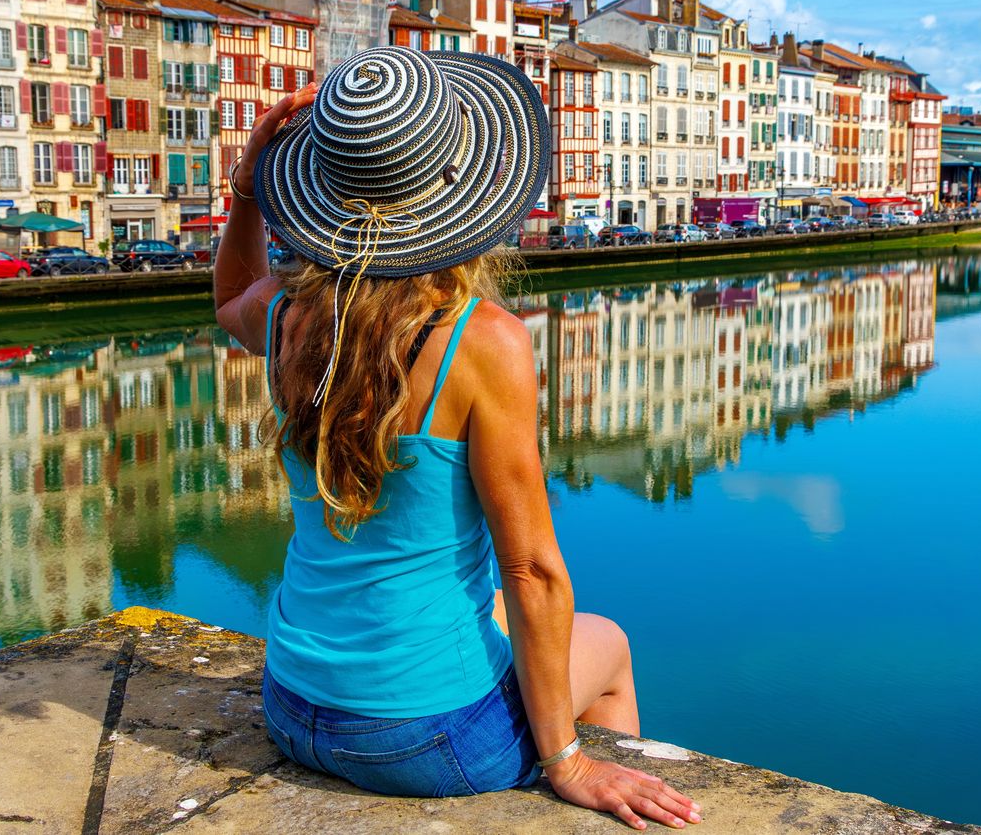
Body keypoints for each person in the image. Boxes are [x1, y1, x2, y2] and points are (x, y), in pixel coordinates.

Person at [213, 46, 700, 830]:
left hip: (294, 706)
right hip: (425, 739)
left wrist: (244, 192)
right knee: (605, 642)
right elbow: (533, 569)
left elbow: (229, 292)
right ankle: (585, 794)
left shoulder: (287, 316)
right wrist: (564, 758)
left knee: (491, 614)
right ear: (455, 185)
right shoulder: (484, 342)